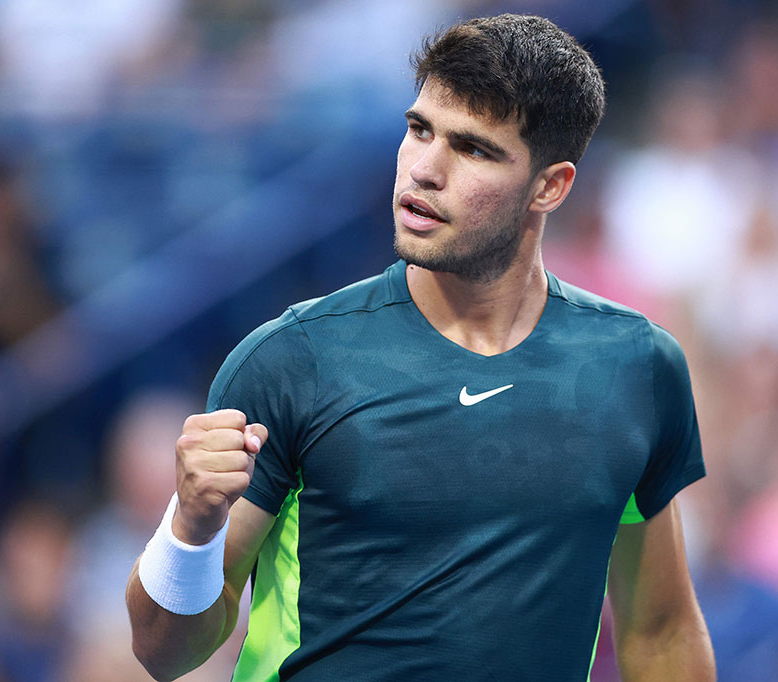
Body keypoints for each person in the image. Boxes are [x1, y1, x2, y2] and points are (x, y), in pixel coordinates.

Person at [126, 14, 714, 681]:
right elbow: (163, 651)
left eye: (473, 149)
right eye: (419, 129)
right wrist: (191, 534)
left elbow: (660, 629)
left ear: (550, 186)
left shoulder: (637, 367)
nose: (424, 170)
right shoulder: (291, 359)